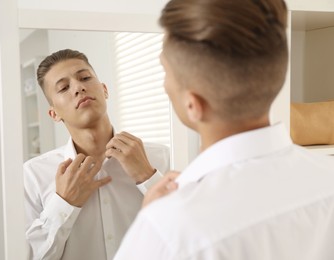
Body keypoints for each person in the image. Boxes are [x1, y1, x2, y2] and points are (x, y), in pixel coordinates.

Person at [114, 0, 334, 259]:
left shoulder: (169, 230)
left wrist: (153, 225)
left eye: (165, 70)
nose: (164, 85)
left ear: (192, 104)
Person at [23, 49, 169, 260]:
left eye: (84, 78)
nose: (78, 87)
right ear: (54, 114)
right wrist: (64, 203)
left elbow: (191, 237)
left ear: (104, 90)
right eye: (64, 87)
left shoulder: (160, 157)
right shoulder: (34, 174)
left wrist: (148, 178)